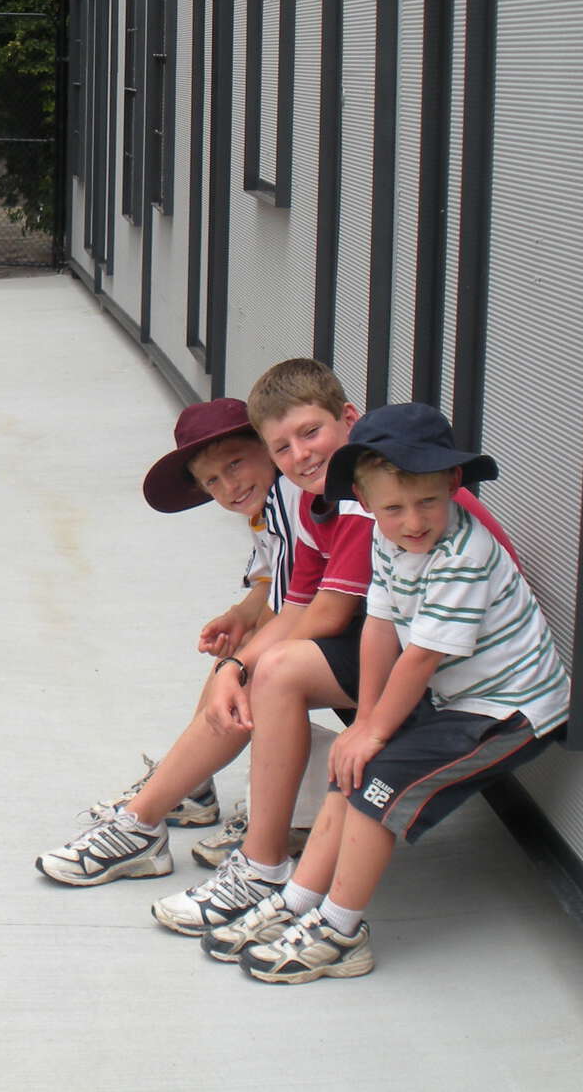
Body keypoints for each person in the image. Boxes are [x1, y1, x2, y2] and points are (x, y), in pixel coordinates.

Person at [203, 403, 571, 983]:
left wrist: (374, 731)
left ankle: (341, 931)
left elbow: (421, 657)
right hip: (454, 698)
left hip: (508, 710)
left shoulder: (461, 556)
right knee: (352, 764)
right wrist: (365, 724)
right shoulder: (386, 539)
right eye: (393, 507)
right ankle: (299, 899)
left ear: (454, 485)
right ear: (368, 504)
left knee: (377, 784)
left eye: (427, 502)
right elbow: (379, 628)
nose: (413, 521)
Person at [35, 362, 364, 908]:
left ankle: (161, 814)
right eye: (213, 480)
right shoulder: (289, 502)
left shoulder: (303, 494)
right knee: (237, 659)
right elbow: (283, 589)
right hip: (357, 638)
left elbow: (316, 610)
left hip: (401, 655)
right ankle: (185, 786)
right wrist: (243, 616)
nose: (230, 485)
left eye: (237, 463)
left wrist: (243, 658)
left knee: (253, 669)